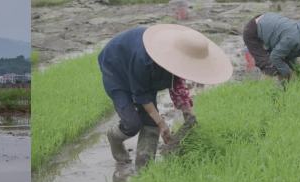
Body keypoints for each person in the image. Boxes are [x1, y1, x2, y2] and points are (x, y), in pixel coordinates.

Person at [98, 24, 232, 167]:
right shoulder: (144, 59)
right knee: (132, 124)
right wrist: (162, 124)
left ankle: (144, 166)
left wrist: (187, 111)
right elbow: (142, 95)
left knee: (150, 121)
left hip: (144, 71)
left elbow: (177, 85)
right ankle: (114, 138)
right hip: (116, 69)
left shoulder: (176, 59)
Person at [243, 13, 300, 80]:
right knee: (271, 68)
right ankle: (267, 93)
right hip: (253, 31)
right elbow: (275, 57)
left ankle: (285, 91)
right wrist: (288, 73)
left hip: (266, 21)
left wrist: (299, 72)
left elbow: (289, 58)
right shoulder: (293, 38)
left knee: (286, 67)